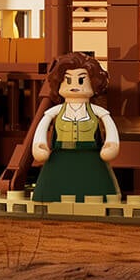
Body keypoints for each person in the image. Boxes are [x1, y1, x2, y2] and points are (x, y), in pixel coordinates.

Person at [31, 52, 121, 202]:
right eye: (68, 81)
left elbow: (110, 130)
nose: (74, 86)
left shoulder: (98, 113)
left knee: (98, 194)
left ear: (94, 84)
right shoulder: (55, 112)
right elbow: (41, 128)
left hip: (90, 158)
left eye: (81, 81)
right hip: (60, 158)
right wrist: (39, 145)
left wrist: (111, 145)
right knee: (50, 196)